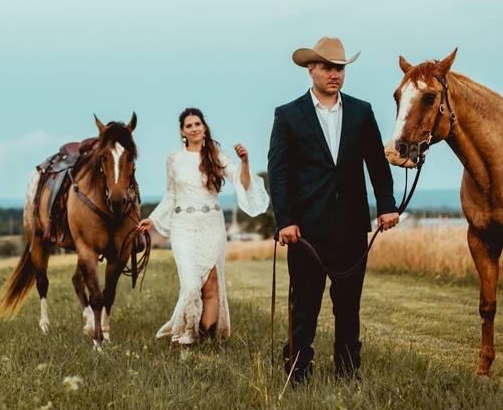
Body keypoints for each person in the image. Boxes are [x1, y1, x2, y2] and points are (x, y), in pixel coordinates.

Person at [267, 36, 400, 383]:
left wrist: (386, 206)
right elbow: (278, 173)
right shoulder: (288, 115)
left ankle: (347, 372)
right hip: (306, 231)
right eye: (327, 67)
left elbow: (376, 163)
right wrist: (285, 221)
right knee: (305, 306)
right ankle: (297, 373)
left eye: (339, 68)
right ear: (311, 69)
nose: (334, 74)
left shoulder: (361, 111)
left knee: (348, 306)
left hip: (353, 227)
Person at [138, 107, 269, 344]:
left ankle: (207, 339)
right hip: (183, 227)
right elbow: (170, 195)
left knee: (211, 286)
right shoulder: (174, 159)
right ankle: (186, 333)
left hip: (212, 225)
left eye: (198, 123)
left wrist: (245, 161)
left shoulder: (216, 156)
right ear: (182, 132)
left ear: (204, 127)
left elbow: (242, 182)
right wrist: (154, 219)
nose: (194, 128)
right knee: (190, 285)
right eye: (189, 125)